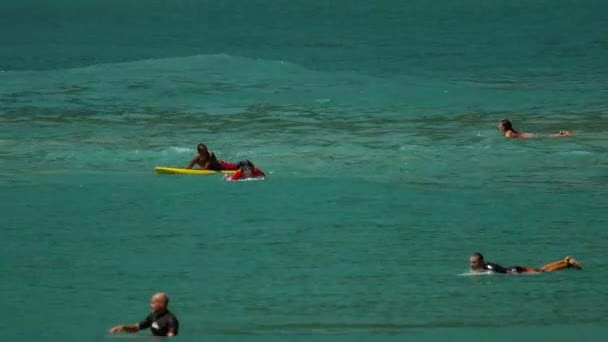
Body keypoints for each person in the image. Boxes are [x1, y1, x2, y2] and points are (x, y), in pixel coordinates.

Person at [109, 292, 179, 337]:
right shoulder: (152, 316)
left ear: (162, 304)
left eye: (153, 303)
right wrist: (123, 327)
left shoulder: (171, 319)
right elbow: (137, 327)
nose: (150, 305)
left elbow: (171, 338)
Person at [469, 252, 583, 274]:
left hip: (516, 271)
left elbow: (504, 272)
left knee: (542, 271)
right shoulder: (485, 266)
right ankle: (565, 260)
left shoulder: (489, 268)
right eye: (471, 262)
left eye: (474, 262)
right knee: (541, 269)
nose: (472, 265)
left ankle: (568, 264)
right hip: (514, 269)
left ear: (481, 261)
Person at [498, 119, 574, 139]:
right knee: (547, 136)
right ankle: (562, 133)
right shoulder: (509, 132)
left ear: (504, 127)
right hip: (527, 135)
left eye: (500, 125)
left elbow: (517, 137)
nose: (498, 126)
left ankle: (564, 134)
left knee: (547, 137)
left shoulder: (508, 133)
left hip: (527, 136)